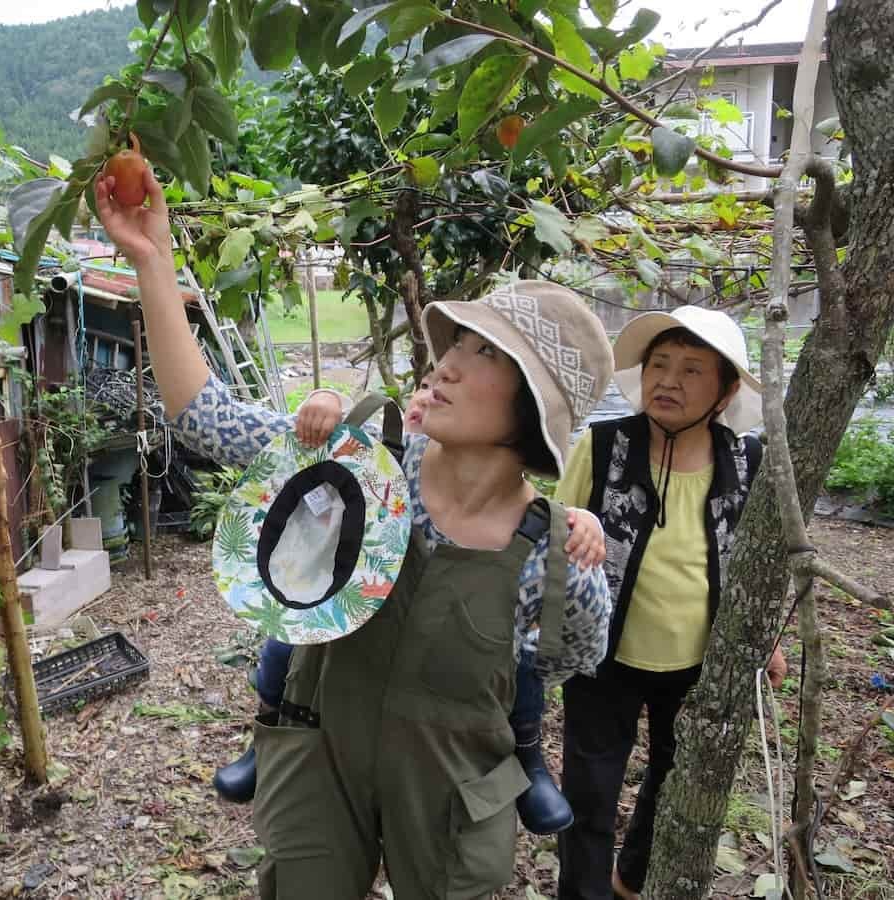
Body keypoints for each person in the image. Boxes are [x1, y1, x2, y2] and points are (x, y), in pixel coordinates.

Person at [96, 167, 615, 899]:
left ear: (534, 411)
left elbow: (568, 662)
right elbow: (201, 413)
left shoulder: (556, 560)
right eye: (458, 342)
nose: (449, 364)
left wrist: (570, 530)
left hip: (452, 788)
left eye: (486, 354)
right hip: (319, 759)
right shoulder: (362, 465)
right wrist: (154, 261)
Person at [216, 372, 602, 837]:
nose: (429, 390)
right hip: (341, 615)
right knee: (285, 640)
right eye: (420, 387)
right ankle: (268, 731)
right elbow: (259, 441)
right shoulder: (378, 463)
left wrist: (573, 522)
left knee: (521, 666)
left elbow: (577, 647)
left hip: (450, 710)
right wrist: (324, 401)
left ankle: (528, 755)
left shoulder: (527, 530)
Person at [553, 307, 788, 900]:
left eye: (690, 370)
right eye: (658, 365)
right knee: (590, 790)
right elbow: (555, 530)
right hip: (601, 653)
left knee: (672, 777)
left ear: (725, 389)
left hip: (698, 661)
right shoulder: (603, 448)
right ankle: (583, 894)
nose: (668, 381)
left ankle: (631, 878)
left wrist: (769, 641)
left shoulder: (744, 461)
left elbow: (753, 560)